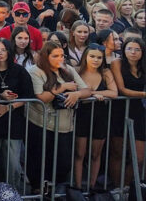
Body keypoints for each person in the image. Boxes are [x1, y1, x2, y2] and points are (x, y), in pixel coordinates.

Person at [25, 41, 91, 191]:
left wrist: (77, 94)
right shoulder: (35, 71)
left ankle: (53, 189)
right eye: (55, 56)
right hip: (41, 123)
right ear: (46, 56)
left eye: (62, 55)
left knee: (63, 163)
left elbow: (87, 90)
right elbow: (42, 97)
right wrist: (64, 87)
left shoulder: (68, 70)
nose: (60, 59)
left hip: (65, 125)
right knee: (39, 162)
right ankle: (39, 191)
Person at [0, 37, 32, 187]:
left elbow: (28, 95)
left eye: (3, 50)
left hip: (13, 121)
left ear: (9, 52)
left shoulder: (19, 71)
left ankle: (12, 192)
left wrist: (8, 106)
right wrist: (0, 97)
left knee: (13, 162)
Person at [109, 36, 146, 188]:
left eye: (137, 49)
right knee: (118, 152)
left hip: (138, 110)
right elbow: (122, 89)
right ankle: (117, 188)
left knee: (139, 156)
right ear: (124, 50)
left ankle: (127, 188)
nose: (133, 52)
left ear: (142, 51)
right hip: (119, 109)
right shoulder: (117, 63)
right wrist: (145, 94)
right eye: (129, 48)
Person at [73, 43, 117, 190]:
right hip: (81, 116)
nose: (95, 60)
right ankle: (78, 188)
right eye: (92, 56)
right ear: (85, 56)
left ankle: (91, 187)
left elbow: (114, 93)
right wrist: (92, 94)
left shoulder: (106, 72)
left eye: (99, 57)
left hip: (100, 117)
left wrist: (94, 94)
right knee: (79, 153)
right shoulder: (77, 71)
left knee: (96, 154)